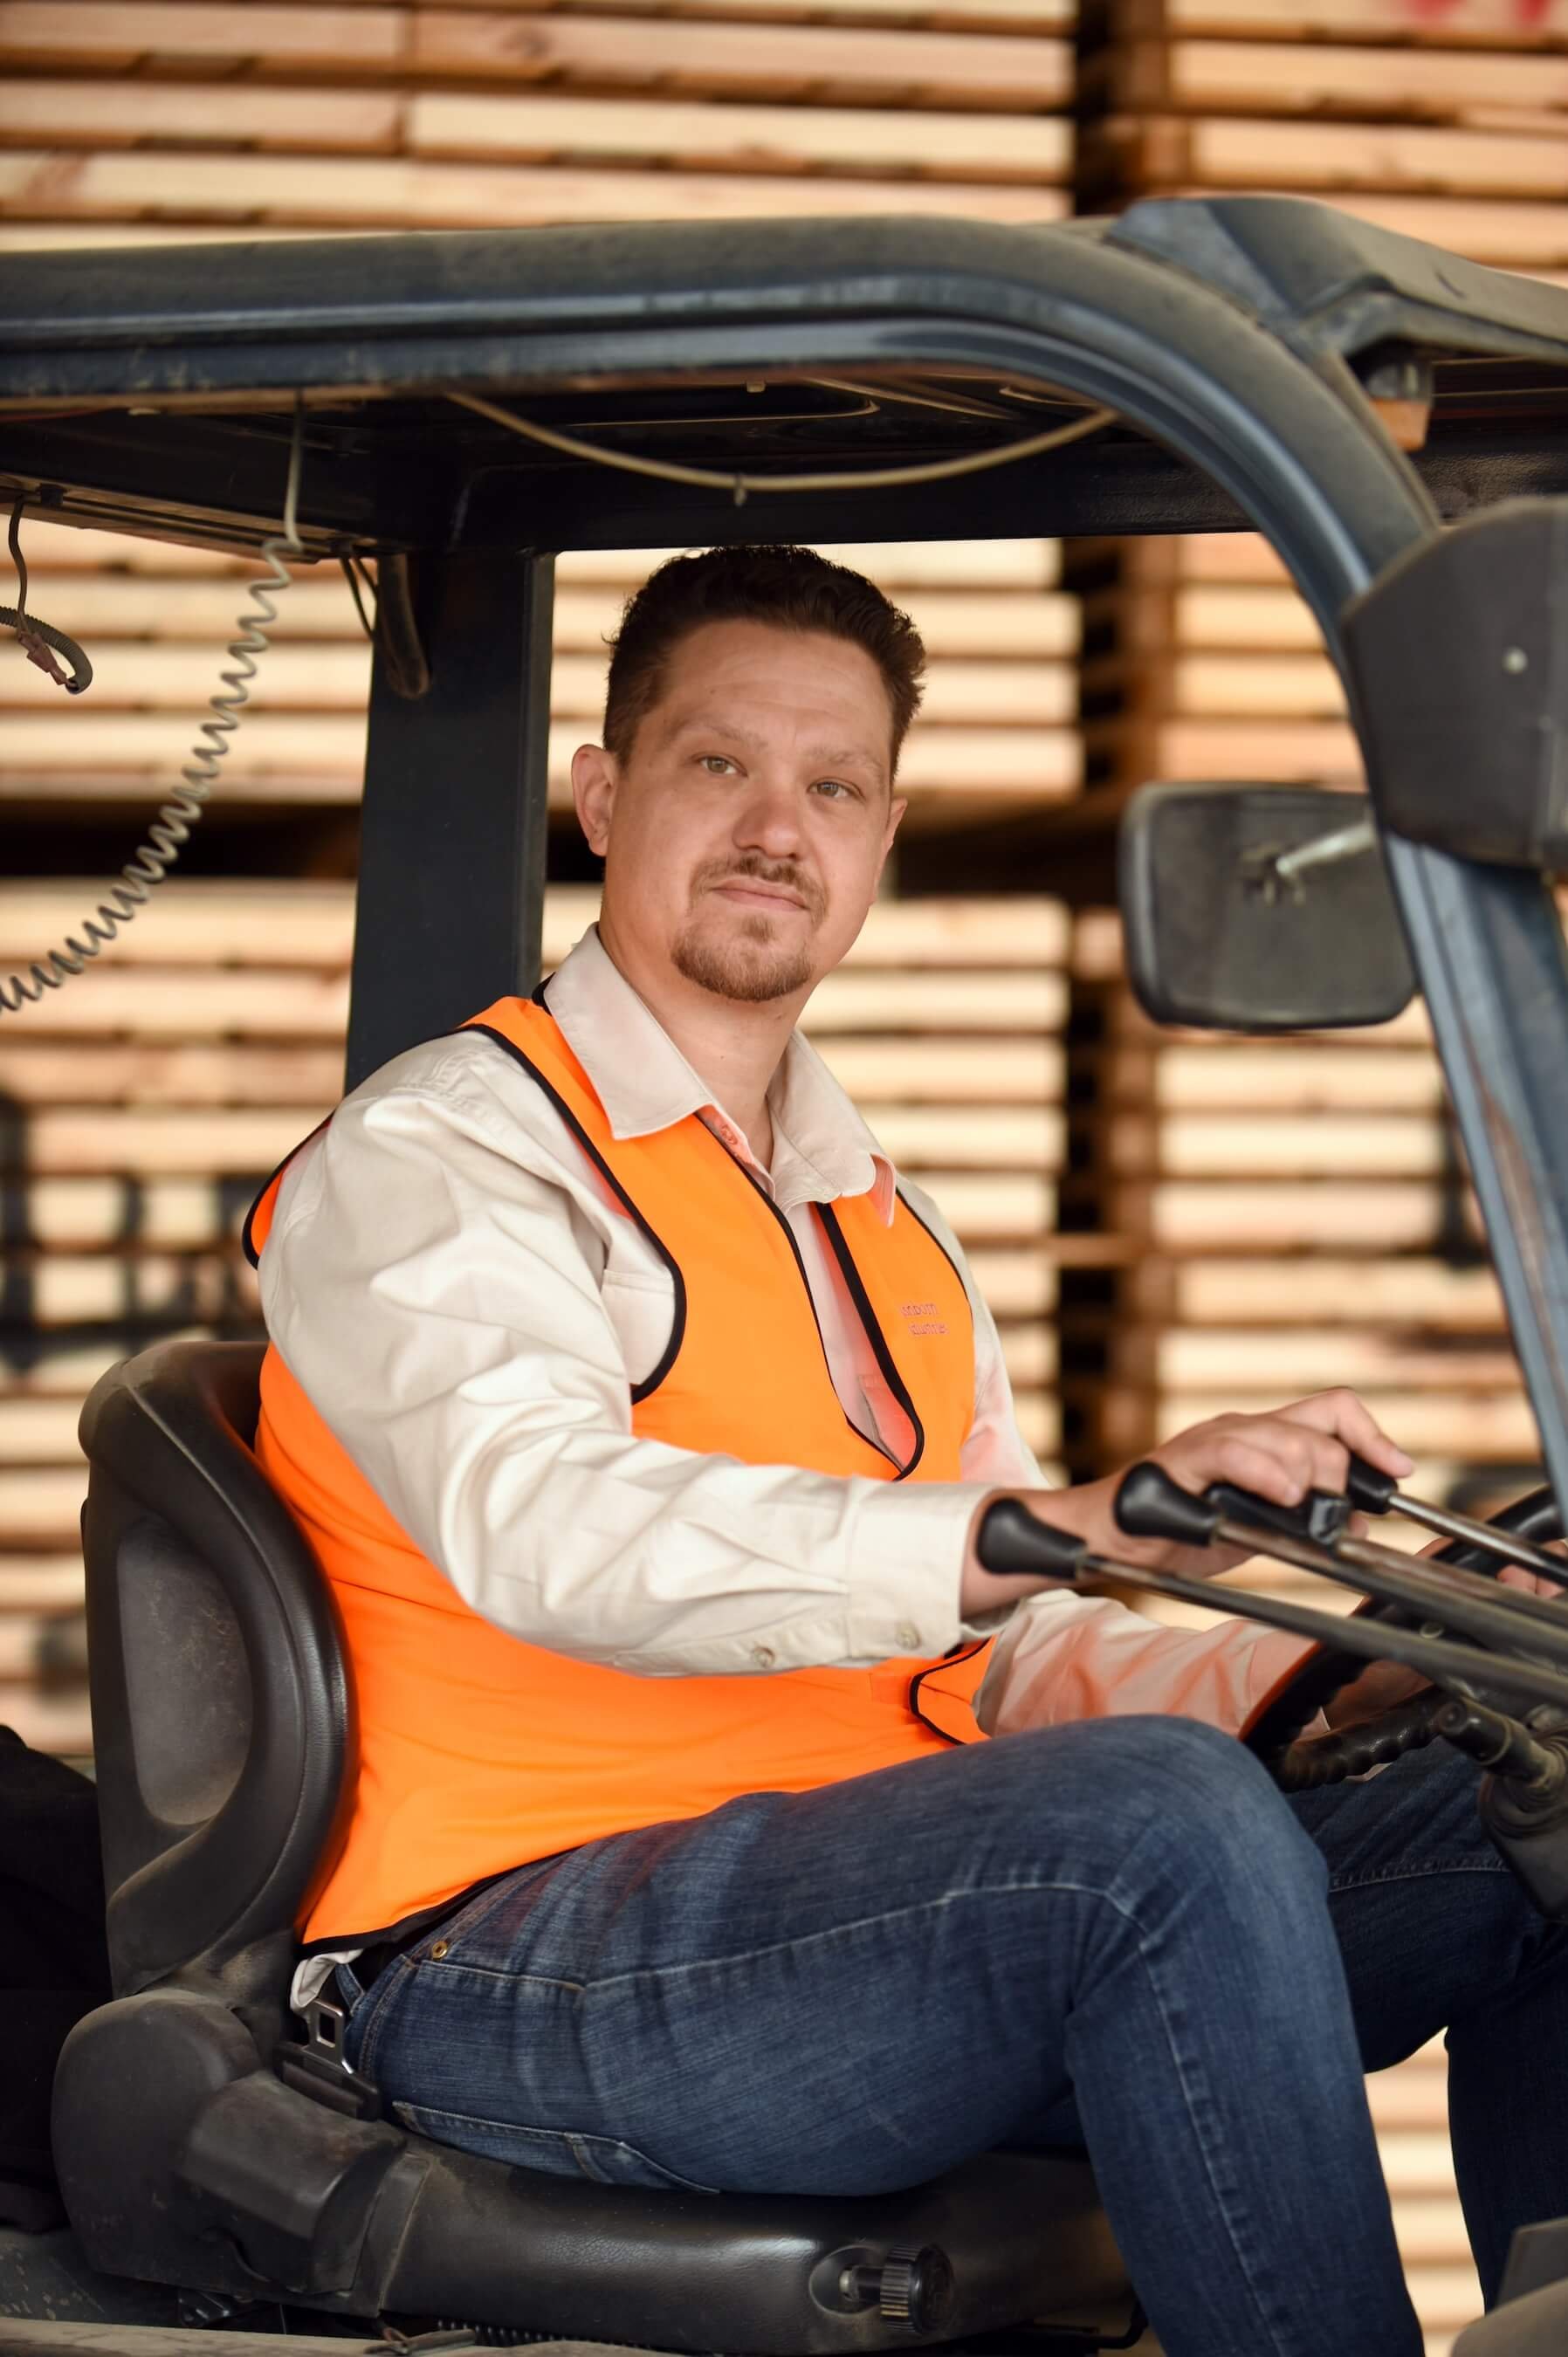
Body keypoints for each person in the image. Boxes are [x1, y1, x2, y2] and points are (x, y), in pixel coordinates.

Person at [250, 546, 1568, 2357]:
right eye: (720, 766)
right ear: (603, 793)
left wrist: (1338, 1667)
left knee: (1536, 1798)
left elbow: (994, 1664)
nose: (777, 827)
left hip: (843, 1911)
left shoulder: (881, 1223)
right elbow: (547, 1530)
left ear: (879, 842)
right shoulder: (445, 1159)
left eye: (834, 786)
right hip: (506, 1956)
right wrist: (1029, 1525)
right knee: (1155, 1836)